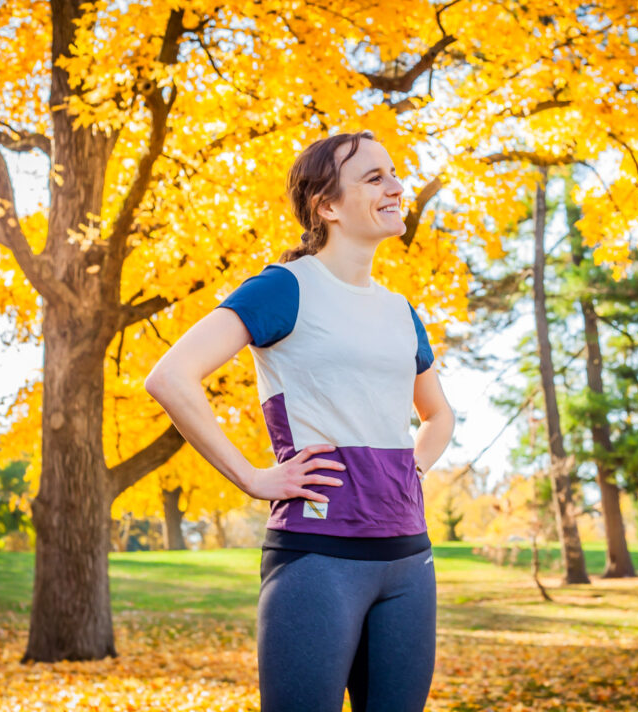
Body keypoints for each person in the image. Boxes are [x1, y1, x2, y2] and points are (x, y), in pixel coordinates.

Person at [144, 129, 455, 712]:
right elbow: (170, 376)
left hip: (410, 561)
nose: (396, 187)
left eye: (393, 173)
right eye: (374, 177)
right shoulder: (285, 288)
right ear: (328, 206)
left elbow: (437, 414)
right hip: (318, 559)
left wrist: (411, 466)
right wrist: (252, 477)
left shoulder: (400, 311)